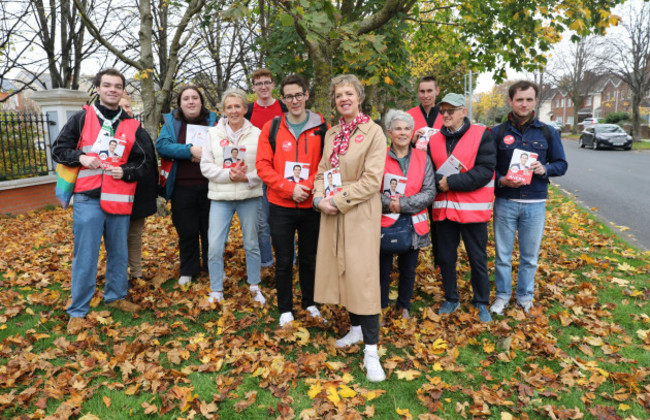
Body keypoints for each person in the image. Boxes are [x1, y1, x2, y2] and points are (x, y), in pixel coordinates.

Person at [52, 68, 155, 334]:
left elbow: (145, 162)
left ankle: (116, 297)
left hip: (119, 197)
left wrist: (127, 171)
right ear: (97, 88)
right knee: (85, 254)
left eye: (117, 86)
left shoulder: (133, 125)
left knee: (119, 252)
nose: (112, 90)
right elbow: (59, 150)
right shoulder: (82, 118)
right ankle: (78, 310)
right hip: (87, 197)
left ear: (123, 91)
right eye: (107, 85)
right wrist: (81, 158)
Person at [313, 74, 387, 382]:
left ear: (359, 97)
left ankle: (372, 351)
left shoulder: (374, 132)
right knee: (343, 271)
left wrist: (338, 199)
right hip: (332, 210)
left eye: (349, 93)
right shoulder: (331, 134)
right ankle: (355, 330)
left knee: (363, 276)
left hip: (359, 212)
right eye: (338, 95)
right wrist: (319, 199)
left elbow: (372, 181)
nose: (344, 98)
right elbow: (320, 171)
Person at [490, 80, 568, 315]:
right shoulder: (498, 132)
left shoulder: (548, 132)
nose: (524, 104)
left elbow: (561, 164)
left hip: (535, 204)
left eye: (529, 99)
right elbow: (487, 168)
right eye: (519, 99)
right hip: (505, 202)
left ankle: (524, 296)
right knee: (502, 255)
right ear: (511, 101)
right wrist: (501, 180)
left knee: (530, 257)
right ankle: (502, 296)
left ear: (535, 101)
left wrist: (545, 169)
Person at [256, 74, 328, 327]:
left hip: (311, 205)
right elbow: (262, 166)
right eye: (289, 96)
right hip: (280, 206)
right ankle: (285, 308)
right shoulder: (272, 127)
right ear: (282, 99)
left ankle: (310, 303)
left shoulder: (322, 127)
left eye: (299, 95)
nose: (294, 100)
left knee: (310, 257)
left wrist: (306, 188)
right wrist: (289, 188)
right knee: (284, 259)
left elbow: (326, 164)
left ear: (307, 95)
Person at [428, 93, 496, 323]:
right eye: (443, 111)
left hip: (472, 211)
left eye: (451, 110)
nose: (446, 115)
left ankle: (481, 302)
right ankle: (451, 297)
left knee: (477, 258)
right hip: (444, 211)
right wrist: (439, 181)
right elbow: (427, 171)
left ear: (463, 112)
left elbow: (485, 170)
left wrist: (451, 182)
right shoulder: (434, 139)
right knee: (446, 257)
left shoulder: (481, 135)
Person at [200, 88, 266, 305]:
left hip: (249, 195)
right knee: (215, 245)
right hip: (220, 197)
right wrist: (229, 175)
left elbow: (265, 166)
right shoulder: (212, 134)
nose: (234, 110)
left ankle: (254, 285)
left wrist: (247, 178)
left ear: (245, 109)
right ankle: (216, 289)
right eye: (229, 107)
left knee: (252, 243)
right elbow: (206, 167)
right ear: (223, 110)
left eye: (238, 106)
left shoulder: (258, 134)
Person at [156, 86, 217, 286]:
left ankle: (213, 267)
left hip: (211, 186)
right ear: (180, 103)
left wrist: (204, 153)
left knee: (211, 230)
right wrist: (190, 150)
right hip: (182, 188)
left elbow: (224, 146)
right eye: (186, 99)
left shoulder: (214, 121)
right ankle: (188, 270)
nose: (191, 102)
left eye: (195, 98)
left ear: (201, 101)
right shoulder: (172, 123)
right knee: (187, 230)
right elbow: (162, 146)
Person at [379, 110, 435, 320]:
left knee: (408, 269)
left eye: (407, 129)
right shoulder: (378, 157)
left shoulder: (423, 158)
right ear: (389, 132)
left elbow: (429, 192)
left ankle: (404, 307)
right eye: (398, 128)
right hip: (384, 221)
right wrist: (389, 205)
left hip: (413, 222)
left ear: (412, 132)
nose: (402, 133)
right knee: (382, 270)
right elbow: (371, 190)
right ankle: (381, 307)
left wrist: (401, 204)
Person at [245, 69, 289, 272]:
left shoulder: (284, 107)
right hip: (257, 174)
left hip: (282, 173)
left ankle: (289, 262)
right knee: (262, 224)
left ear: (273, 85)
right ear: (253, 87)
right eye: (259, 83)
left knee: (285, 223)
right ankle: (266, 264)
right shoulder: (248, 110)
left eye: (267, 83)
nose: (263, 87)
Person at [119, 94, 158, 285]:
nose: (127, 110)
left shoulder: (139, 131)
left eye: (129, 106)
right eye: (122, 106)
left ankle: (136, 272)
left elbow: (148, 162)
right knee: (116, 237)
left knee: (134, 236)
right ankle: (120, 273)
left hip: (138, 194)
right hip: (114, 194)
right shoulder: (108, 132)